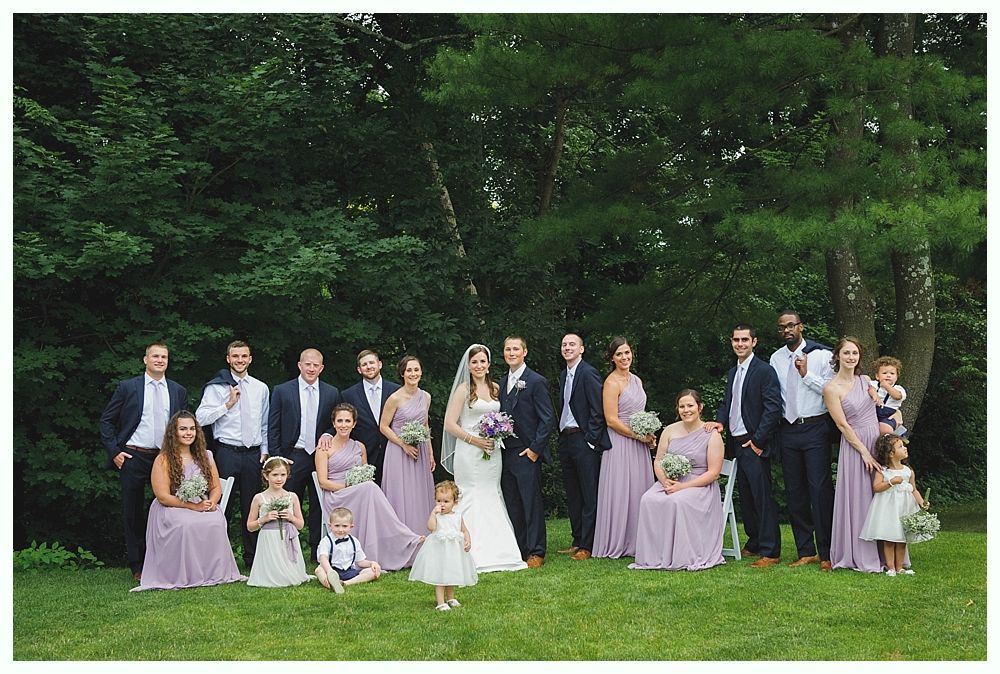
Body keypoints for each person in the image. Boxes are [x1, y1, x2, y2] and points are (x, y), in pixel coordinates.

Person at [99, 342, 188, 582]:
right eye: (156, 356)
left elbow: (184, 426)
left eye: (164, 357)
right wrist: (115, 452)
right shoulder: (128, 387)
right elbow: (106, 421)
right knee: (133, 512)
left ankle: (167, 561)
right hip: (133, 456)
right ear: (145, 360)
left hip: (165, 457)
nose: (160, 360)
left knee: (170, 509)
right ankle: (138, 566)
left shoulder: (177, 390)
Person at [131, 411, 246, 591]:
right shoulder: (163, 459)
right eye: (183, 429)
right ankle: (183, 574)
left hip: (201, 504)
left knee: (216, 520)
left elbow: (216, 487)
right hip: (172, 506)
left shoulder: (206, 456)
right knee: (185, 523)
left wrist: (212, 503)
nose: (188, 433)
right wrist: (193, 506)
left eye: (192, 429)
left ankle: (212, 573)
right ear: (173, 432)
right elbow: (162, 496)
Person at [440, 344, 527, 572]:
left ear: (489, 364)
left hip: (492, 451)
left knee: (491, 493)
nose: (479, 366)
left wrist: (498, 432)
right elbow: (450, 424)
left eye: (482, 361)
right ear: (468, 366)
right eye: (474, 362)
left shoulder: (496, 388)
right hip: (469, 452)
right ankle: (468, 549)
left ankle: (500, 551)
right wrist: (475, 441)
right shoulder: (462, 390)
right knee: (470, 493)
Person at [315, 403, 424, 571]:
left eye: (347, 421)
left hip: (360, 493)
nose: (343, 425)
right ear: (334, 423)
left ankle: (395, 545)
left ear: (354, 423)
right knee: (370, 488)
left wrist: (358, 485)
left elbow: (365, 474)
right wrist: (348, 485)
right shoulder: (324, 448)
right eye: (340, 421)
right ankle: (404, 537)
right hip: (336, 495)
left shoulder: (360, 447)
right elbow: (323, 482)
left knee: (369, 487)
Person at [768, 311, 836, 571]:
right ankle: (805, 550)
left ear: (801, 327)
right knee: (795, 492)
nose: (787, 330)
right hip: (787, 431)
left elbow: (832, 391)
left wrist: (807, 374)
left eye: (791, 325)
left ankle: (827, 552)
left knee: (819, 491)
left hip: (815, 428)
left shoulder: (822, 355)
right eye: (782, 327)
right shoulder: (776, 358)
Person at [711, 324, 783, 567]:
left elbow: (773, 408)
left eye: (744, 340)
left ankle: (771, 551)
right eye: (735, 340)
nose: (740, 344)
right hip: (735, 443)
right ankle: (754, 542)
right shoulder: (734, 372)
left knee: (762, 497)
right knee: (747, 497)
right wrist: (719, 423)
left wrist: (758, 440)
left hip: (754, 443)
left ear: (754, 342)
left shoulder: (764, 371)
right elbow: (727, 403)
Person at [630, 389, 725, 571]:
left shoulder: (711, 434)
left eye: (690, 405)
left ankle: (681, 555)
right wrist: (665, 481)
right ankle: (654, 556)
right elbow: (658, 460)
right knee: (648, 499)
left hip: (699, 485)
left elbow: (713, 473)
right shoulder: (670, 430)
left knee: (677, 501)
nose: (686, 410)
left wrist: (684, 486)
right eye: (682, 406)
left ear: (700, 407)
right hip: (671, 482)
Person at [196, 340, 270, 568]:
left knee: (252, 506)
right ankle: (217, 559)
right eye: (235, 356)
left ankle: (252, 559)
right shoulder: (216, 387)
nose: (240, 360)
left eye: (244, 356)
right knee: (222, 506)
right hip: (226, 452)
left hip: (253, 455)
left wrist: (265, 450)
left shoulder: (261, 388)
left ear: (250, 359)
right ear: (228, 359)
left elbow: (264, 423)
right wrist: (227, 404)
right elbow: (199, 419)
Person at [268, 348, 340, 562]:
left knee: (320, 503)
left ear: (321, 368)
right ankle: (286, 550)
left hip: (320, 455)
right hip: (293, 456)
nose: (311, 368)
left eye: (315, 365)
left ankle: (318, 552)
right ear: (300, 365)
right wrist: (278, 457)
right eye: (307, 364)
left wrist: (328, 433)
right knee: (287, 502)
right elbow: (273, 426)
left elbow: (334, 422)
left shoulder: (331, 392)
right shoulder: (282, 390)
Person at [825, 336, 887, 573]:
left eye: (855, 354)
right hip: (855, 446)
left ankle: (886, 554)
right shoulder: (831, 389)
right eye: (847, 353)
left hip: (876, 442)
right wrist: (864, 453)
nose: (851, 357)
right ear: (838, 356)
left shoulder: (865, 381)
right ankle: (858, 553)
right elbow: (842, 425)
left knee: (880, 498)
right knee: (859, 498)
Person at [592, 336, 655, 559]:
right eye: (619, 354)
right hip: (620, 442)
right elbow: (611, 420)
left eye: (627, 352)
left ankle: (639, 539)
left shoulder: (637, 381)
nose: (624, 357)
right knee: (621, 489)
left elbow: (640, 413)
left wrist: (649, 433)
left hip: (639, 444)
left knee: (639, 489)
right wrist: (639, 436)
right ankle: (617, 540)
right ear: (612, 358)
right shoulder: (611, 382)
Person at [498, 335, 555, 568]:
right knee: (512, 503)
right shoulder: (501, 382)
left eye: (515, 349)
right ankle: (519, 549)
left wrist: (534, 450)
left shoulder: (536, 381)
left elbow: (547, 418)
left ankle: (536, 551)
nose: (511, 353)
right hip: (504, 453)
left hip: (526, 452)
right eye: (508, 349)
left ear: (525, 352)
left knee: (530, 503)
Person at [555, 333, 611, 561]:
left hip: (583, 439)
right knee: (573, 493)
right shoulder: (563, 375)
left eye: (572, 345)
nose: (567, 348)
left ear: (582, 349)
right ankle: (577, 539)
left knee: (589, 493)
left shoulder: (588, 373)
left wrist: (590, 440)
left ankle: (588, 545)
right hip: (566, 439)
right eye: (564, 345)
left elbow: (598, 411)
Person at [380, 355, 436, 535]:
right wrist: (402, 444)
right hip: (398, 451)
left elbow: (425, 425)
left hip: (420, 452)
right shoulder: (395, 398)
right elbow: (383, 426)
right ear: (402, 373)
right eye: (409, 370)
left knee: (419, 494)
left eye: (416, 370)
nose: (413, 373)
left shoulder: (426, 397)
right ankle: (401, 537)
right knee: (401, 494)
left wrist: (430, 453)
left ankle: (422, 535)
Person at [860, 434, 927, 576]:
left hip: (904, 509)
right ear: (891, 454)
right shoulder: (884, 471)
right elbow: (876, 487)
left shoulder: (908, 471)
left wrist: (922, 502)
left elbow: (913, 489)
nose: (905, 448)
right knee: (889, 539)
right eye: (901, 446)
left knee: (902, 539)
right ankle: (890, 567)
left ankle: (900, 567)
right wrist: (891, 482)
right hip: (889, 510)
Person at [332, 349, 401, 486]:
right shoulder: (348, 395)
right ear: (359, 369)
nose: (369, 367)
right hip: (363, 455)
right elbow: (340, 421)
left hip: (393, 451)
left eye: (372, 362)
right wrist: (327, 435)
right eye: (364, 364)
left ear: (380, 364)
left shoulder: (396, 391)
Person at [408, 481, 478, 611]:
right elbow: (431, 527)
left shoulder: (458, 516)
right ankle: (440, 602)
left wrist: (468, 540)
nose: (442, 504)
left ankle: (451, 597)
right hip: (439, 552)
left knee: (451, 574)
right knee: (440, 575)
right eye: (439, 501)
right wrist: (433, 514)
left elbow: (464, 530)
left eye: (446, 501)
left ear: (454, 502)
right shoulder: (437, 516)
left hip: (453, 552)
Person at [246, 457, 312, 587]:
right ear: (266, 475)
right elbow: (250, 526)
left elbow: (301, 525)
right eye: (275, 475)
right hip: (268, 539)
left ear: (287, 476)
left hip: (287, 536)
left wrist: (291, 518)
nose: (279, 479)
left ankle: (290, 572)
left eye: (283, 475)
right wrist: (264, 519)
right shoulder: (259, 498)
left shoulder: (292, 496)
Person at [316, 507, 383, 593]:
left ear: (351, 527)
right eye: (337, 526)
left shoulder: (354, 541)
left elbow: (360, 562)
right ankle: (330, 581)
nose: (340, 529)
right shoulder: (326, 541)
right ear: (330, 526)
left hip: (349, 571)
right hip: (332, 570)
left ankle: (344, 583)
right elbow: (323, 558)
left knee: (373, 572)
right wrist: (329, 571)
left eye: (344, 526)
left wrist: (372, 563)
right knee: (319, 570)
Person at [871, 356, 907, 436]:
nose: (888, 375)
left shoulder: (898, 389)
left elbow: (897, 396)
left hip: (889, 415)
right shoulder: (873, 384)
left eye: (892, 373)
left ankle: (897, 436)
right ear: (877, 376)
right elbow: (866, 387)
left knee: (884, 429)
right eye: (884, 373)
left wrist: (886, 386)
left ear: (897, 376)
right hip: (873, 412)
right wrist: (872, 391)